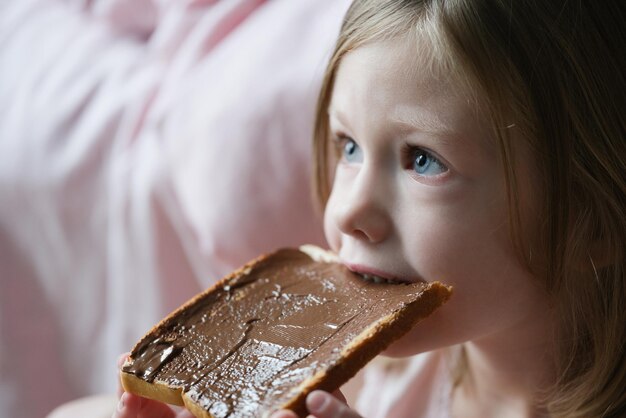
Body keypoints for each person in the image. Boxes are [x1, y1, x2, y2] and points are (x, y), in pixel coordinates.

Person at [113, 0, 625, 417]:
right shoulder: (384, 376)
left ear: (593, 223)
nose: (349, 211)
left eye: (423, 160)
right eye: (349, 147)